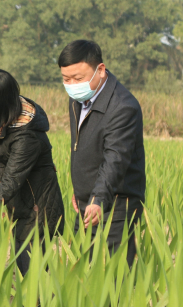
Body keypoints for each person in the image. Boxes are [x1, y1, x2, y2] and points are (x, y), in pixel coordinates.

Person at [0, 69, 64, 275]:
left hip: (37, 208)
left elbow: (12, 180)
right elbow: (5, 164)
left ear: (3, 103)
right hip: (23, 204)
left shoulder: (27, 137)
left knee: (33, 273)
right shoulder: (8, 117)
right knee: (25, 266)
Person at [58, 40, 145, 266]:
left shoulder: (123, 107)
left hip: (116, 207)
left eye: (78, 78)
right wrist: (81, 191)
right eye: (66, 79)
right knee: (83, 278)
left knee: (114, 283)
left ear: (101, 70)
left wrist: (97, 199)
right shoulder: (79, 98)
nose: (72, 85)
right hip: (87, 204)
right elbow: (81, 146)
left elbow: (114, 159)